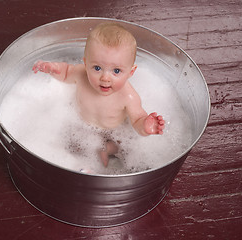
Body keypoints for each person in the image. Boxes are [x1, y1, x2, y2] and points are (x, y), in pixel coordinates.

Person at [32, 23, 164, 167]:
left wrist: (145, 126)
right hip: (81, 126)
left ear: (131, 72)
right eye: (97, 68)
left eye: (117, 71)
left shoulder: (128, 96)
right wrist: (52, 68)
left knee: (120, 146)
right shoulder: (81, 73)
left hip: (113, 132)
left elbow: (137, 119)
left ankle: (105, 151)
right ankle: (76, 165)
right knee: (67, 141)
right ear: (86, 63)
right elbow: (65, 73)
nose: (105, 78)